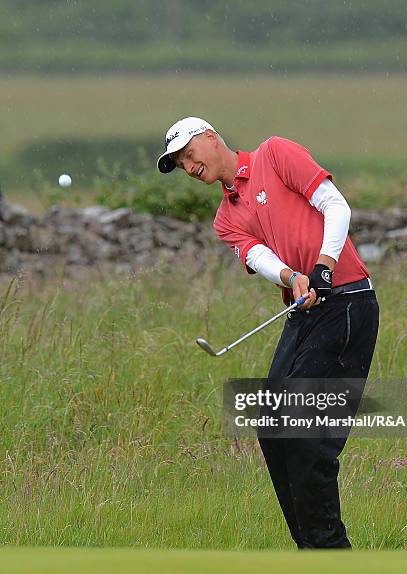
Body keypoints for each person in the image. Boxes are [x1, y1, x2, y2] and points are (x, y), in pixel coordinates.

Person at [157, 117, 379, 549]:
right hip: (305, 309)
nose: (189, 166)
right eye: (180, 164)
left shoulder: (274, 154)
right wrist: (292, 276)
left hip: (348, 300)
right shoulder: (226, 218)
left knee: (303, 434)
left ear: (212, 138)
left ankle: (331, 557)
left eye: (189, 154)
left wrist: (323, 269)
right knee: (272, 430)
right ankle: (312, 552)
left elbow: (337, 207)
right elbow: (260, 258)